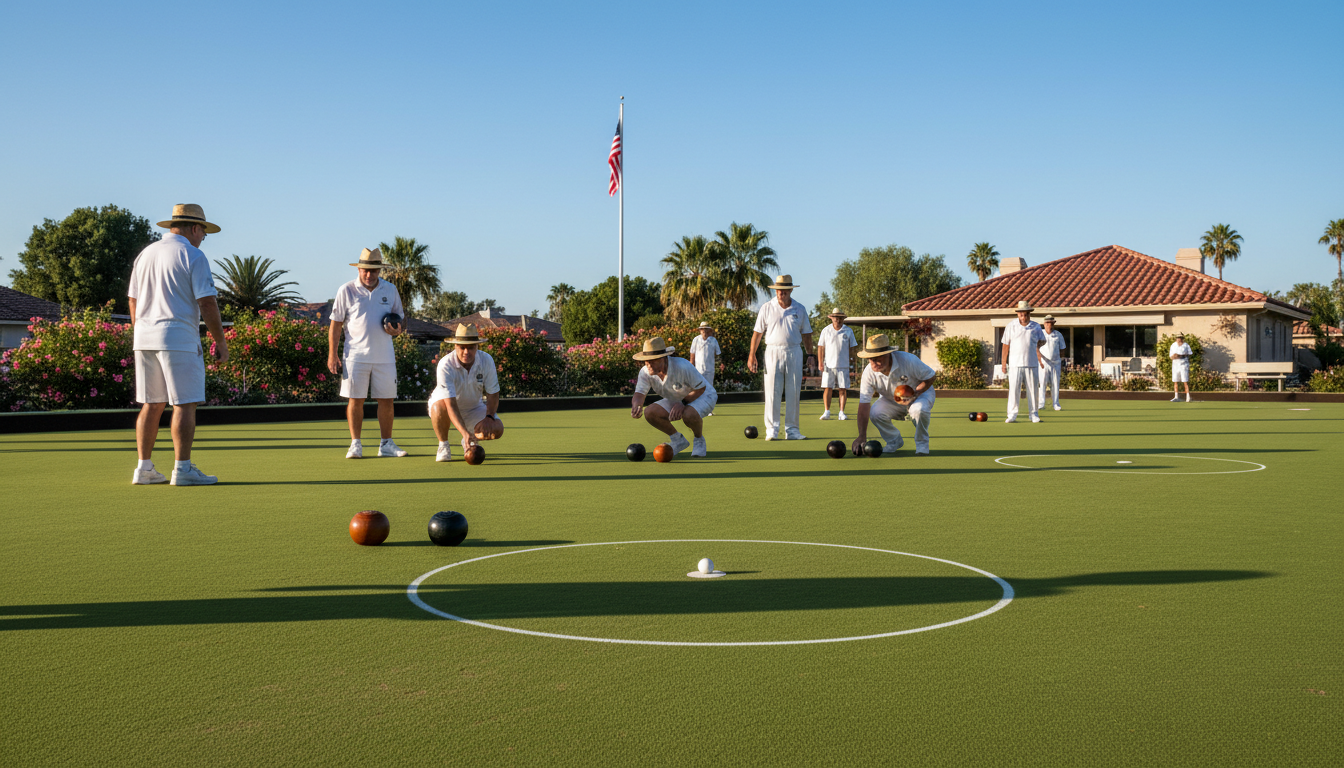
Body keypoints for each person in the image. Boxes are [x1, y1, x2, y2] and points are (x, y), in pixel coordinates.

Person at [128, 204, 229, 486]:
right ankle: (182, 469)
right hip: (178, 337)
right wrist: (220, 341)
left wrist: (142, 329)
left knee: (151, 403)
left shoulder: (145, 254)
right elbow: (207, 301)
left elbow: (133, 299)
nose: (204, 237)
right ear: (194, 228)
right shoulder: (193, 254)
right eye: (204, 231)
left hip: (144, 337)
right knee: (185, 403)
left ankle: (144, 468)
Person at [327, 247, 409, 458]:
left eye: (374, 271)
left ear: (380, 270)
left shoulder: (390, 290)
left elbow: (401, 320)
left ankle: (386, 444)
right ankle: (355, 444)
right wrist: (332, 355)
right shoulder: (346, 290)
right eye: (366, 270)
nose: (369, 275)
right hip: (355, 356)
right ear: (359, 269)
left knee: (387, 400)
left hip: (385, 357)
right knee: (355, 399)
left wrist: (397, 330)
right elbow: (336, 325)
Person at [747, 275, 813, 440]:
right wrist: (752, 355)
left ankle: (792, 430)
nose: (781, 293)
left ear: (790, 290)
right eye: (778, 290)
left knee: (793, 391)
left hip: (794, 351)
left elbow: (807, 334)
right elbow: (757, 333)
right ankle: (772, 430)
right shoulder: (767, 307)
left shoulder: (800, 309)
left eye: (784, 290)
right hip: (772, 351)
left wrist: (810, 354)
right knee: (772, 392)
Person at [850, 334, 937, 456]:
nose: (873, 362)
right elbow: (864, 405)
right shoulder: (868, 373)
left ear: (888, 354)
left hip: (920, 395)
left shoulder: (908, 360)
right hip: (891, 399)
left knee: (919, 410)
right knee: (875, 412)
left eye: (877, 358)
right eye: (870, 358)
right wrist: (862, 436)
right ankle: (894, 441)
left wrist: (916, 393)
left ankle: (922, 443)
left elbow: (931, 377)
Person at [428, 324, 504, 462]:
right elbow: (450, 405)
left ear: (477, 347)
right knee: (438, 407)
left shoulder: (487, 360)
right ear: (455, 346)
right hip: (446, 406)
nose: (466, 352)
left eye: (470, 347)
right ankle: (443, 444)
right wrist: (464, 432)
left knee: (497, 429)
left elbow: (493, 393)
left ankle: (469, 440)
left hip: (473, 407)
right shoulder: (445, 365)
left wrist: (489, 417)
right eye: (462, 347)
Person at [630, 336, 716, 457]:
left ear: (664, 358)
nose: (648, 364)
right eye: (646, 360)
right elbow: (639, 393)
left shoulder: (682, 366)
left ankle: (699, 440)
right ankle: (678, 440)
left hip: (704, 395)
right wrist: (636, 405)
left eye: (652, 360)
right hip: (677, 398)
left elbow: (700, 388)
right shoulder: (645, 372)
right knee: (650, 412)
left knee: (688, 413)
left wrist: (682, 403)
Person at [1000, 300, 1047, 423]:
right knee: (1014, 390)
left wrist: (1035, 348)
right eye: (1021, 314)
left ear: (1029, 314)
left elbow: (1042, 341)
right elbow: (1005, 345)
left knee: (1032, 390)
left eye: (1026, 314)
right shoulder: (1011, 326)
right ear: (1018, 314)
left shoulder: (1036, 327)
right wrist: (1004, 363)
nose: (1024, 316)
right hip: (1015, 364)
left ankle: (1034, 414)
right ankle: (1012, 415)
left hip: (1031, 363)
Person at [816, 307, 858, 421]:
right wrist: (820, 362)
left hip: (843, 365)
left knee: (843, 389)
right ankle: (826, 411)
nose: (837, 320)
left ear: (843, 319)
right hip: (828, 365)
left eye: (840, 318)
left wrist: (852, 360)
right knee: (827, 388)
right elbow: (820, 347)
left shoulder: (848, 331)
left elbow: (853, 347)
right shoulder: (826, 330)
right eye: (835, 318)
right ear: (831, 318)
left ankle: (842, 412)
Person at [688, 321, 722, 414]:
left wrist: (718, 363)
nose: (704, 332)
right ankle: (698, 408)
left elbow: (717, 354)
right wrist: (692, 366)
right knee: (698, 389)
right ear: (700, 330)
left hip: (710, 369)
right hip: (698, 370)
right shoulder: (696, 340)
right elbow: (692, 354)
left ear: (709, 330)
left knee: (709, 389)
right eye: (703, 330)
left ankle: (709, 410)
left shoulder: (713, 340)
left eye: (706, 330)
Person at [1036, 315, 1067, 411]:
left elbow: (1062, 349)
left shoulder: (1058, 335)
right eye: (1047, 323)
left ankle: (1056, 404)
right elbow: (1035, 347)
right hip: (1043, 362)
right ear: (1044, 324)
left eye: (1051, 323)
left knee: (1055, 384)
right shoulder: (1039, 333)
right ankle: (1041, 403)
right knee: (1043, 383)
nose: (1049, 325)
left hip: (1055, 362)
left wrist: (1060, 361)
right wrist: (1039, 360)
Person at [1170, 333, 1193, 402]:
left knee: (1185, 380)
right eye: (1177, 338)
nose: (1178, 339)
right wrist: (1174, 356)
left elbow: (1189, 354)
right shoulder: (1173, 345)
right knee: (1175, 380)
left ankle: (1188, 397)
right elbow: (1171, 356)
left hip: (1183, 364)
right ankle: (1176, 396)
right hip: (1175, 364)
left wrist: (1180, 355)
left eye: (1180, 338)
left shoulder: (1186, 345)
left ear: (1182, 339)